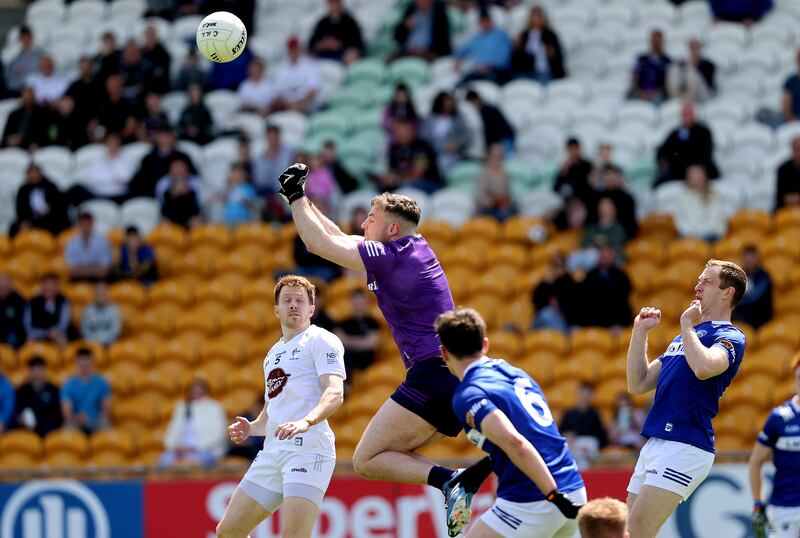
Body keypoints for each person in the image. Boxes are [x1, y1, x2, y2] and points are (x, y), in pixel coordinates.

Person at [279, 165, 495, 536]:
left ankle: (453, 480)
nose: (363, 224)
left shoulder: (391, 256)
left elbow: (318, 244)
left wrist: (296, 199)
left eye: (371, 218)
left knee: (366, 460)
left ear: (391, 228)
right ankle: (464, 468)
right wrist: (302, 198)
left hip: (433, 372)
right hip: (451, 372)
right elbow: (340, 236)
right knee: (397, 455)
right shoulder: (413, 247)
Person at [436, 307, 585, 537]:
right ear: (485, 344)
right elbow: (529, 435)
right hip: (574, 488)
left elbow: (515, 442)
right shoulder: (515, 372)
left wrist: (552, 494)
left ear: (444, 353)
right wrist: (479, 471)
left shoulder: (469, 394)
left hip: (535, 499)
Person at [626, 259, 748, 538]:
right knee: (628, 532)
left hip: (686, 444)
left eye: (706, 281)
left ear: (727, 292)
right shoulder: (684, 338)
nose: (697, 286)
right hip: (657, 442)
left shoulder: (730, 335)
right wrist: (640, 332)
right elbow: (638, 383)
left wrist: (685, 325)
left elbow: (705, 368)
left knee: (638, 530)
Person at [217, 276, 346, 538]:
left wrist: (305, 422)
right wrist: (252, 428)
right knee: (228, 532)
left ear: (312, 308)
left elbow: (335, 392)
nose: (294, 305)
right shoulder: (272, 354)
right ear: (276, 310)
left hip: (309, 451)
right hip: (273, 452)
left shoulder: (322, 340)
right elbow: (272, 412)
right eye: (287, 300)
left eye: (301, 300)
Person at [749, 351, 800, 538]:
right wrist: (758, 503)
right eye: (799, 378)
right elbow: (755, 462)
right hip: (783, 509)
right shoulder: (779, 417)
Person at [160, 378, 228, 468]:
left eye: (199, 390)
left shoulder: (215, 407)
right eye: (193, 390)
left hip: (206, 450)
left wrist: (194, 447)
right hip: (181, 450)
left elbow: (218, 435)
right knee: (164, 460)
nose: (196, 393)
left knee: (191, 463)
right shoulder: (181, 407)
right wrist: (175, 447)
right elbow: (171, 433)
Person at [656, 103, 718, 184]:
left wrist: (693, 166)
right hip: (679, 170)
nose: (687, 117)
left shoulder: (703, 132)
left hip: (700, 169)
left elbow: (706, 153)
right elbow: (666, 151)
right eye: (685, 114)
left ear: (694, 115)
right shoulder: (675, 134)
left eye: (689, 114)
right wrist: (672, 158)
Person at [579, 243, 633, 328]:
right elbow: (585, 298)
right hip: (594, 320)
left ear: (612, 256)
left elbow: (623, 299)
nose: (603, 256)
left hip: (616, 319)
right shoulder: (590, 275)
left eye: (606, 253)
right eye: (601, 253)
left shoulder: (621, 276)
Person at [454, 9, 513, 85]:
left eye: (486, 20)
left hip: (496, 71)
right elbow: (463, 50)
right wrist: (458, 58)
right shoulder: (476, 38)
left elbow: (504, 57)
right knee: (461, 84)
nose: (484, 23)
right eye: (482, 21)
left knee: (488, 79)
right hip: (479, 72)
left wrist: (489, 66)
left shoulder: (501, 35)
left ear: (491, 21)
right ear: (479, 22)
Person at [670, 165, 728, 241]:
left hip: (710, 235)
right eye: (692, 176)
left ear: (704, 177)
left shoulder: (714, 196)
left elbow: (715, 222)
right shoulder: (682, 196)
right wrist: (691, 234)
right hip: (687, 235)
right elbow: (680, 221)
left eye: (698, 176)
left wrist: (699, 236)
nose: (695, 179)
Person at [10, 164, 70, 237]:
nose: (33, 175)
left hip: (49, 218)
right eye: (31, 173)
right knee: (14, 228)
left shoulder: (50, 186)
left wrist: (49, 208)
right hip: (31, 219)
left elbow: (59, 203)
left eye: (35, 173)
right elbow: (20, 208)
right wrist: (24, 221)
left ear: (40, 173)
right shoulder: (23, 190)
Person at [61, 347, 111, 434]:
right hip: (76, 422)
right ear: (76, 361)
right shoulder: (69, 384)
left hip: (96, 422)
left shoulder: (101, 382)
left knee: (105, 428)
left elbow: (105, 410)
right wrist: (77, 419)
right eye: (81, 360)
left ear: (92, 361)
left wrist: (98, 419)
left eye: (87, 360)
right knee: (68, 430)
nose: (84, 363)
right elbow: (67, 413)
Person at [334, 289, 380, 381]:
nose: (358, 303)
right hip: (347, 359)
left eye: (361, 300)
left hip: (367, 361)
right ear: (352, 302)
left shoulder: (373, 322)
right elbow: (337, 341)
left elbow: (371, 344)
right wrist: (362, 341)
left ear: (366, 302)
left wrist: (348, 340)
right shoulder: (343, 322)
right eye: (356, 300)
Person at [511, 5, 566, 83]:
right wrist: (518, 48)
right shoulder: (524, 35)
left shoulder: (550, 35)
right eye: (534, 15)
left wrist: (552, 55)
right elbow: (517, 60)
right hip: (527, 71)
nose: (536, 18)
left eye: (539, 15)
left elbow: (559, 58)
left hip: (545, 71)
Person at [419, 91, 471, 172]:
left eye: (450, 102)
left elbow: (466, 136)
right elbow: (424, 137)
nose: (448, 105)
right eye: (445, 102)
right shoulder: (431, 119)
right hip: (433, 154)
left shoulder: (457, 119)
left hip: (452, 155)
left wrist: (457, 143)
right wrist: (439, 146)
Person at [559, 383, 608, 469]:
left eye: (588, 395)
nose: (585, 398)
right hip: (574, 444)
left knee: (585, 456)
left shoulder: (595, 415)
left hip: (590, 445)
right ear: (578, 395)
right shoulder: (569, 414)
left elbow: (601, 436)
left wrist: (589, 447)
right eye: (583, 394)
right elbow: (562, 432)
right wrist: (569, 437)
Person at [272, 37, 322, 114]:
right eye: (291, 49)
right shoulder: (281, 68)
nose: (293, 51)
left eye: (295, 49)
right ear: (288, 50)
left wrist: (298, 104)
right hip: (286, 106)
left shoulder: (310, 65)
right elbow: (277, 93)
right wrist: (289, 105)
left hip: (305, 105)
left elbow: (313, 90)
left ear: (300, 49)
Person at [15, 356, 62, 437]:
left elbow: (58, 414)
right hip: (26, 429)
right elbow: (16, 411)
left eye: (39, 369)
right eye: (33, 370)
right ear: (29, 371)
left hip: (49, 430)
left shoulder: (53, 390)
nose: (36, 373)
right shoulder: (22, 391)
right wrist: (20, 419)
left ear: (44, 371)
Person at [531, 252, 578, 333]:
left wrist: (563, 279)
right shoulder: (546, 283)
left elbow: (571, 306)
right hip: (545, 320)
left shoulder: (570, 283)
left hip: (564, 322)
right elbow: (536, 302)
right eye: (555, 265)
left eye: (560, 266)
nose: (557, 269)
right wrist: (546, 284)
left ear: (565, 267)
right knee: (546, 313)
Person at [24, 273, 71, 348]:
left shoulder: (63, 302)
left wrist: (55, 332)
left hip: (56, 334)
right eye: (47, 284)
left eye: (53, 284)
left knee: (62, 339)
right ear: (42, 286)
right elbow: (28, 326)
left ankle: (62, 359)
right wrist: (45, 333)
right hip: (37, 334)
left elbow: (63, 325)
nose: (50, 287)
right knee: (29, 340)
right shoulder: (33, 302)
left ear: (57, 287)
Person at [64, 211, 113, 282]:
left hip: (98, 279)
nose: (86, 228)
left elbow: (104, 270)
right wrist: (94, 270)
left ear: (92, 225)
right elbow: (72, 271)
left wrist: (81, 270)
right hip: (78, 279)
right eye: (83, 225)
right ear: (78, 225)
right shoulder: (71, 243)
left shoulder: (103, 242)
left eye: (88, 225)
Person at [732, 245, 773, 329]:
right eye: (745, 256)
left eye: (750, 256)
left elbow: (754, 297)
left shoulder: (763, 276)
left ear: (757, 259)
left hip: (758, 317)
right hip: (740, 314)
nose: (747, 260)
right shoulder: (739, 275)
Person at [465, 90, 515, 156]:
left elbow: (490, 130)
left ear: (475, 100)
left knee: (505, 161)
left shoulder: (485, 111)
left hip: (503, 139)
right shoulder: (488, 108)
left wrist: (489, 146)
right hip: (505, 137)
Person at [475, 143, 515, 221]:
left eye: (501, 156)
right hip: (488, 210)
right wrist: (496, 201)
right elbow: (480, 198)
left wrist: (506, 202)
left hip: (504, 209)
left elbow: (510, 195)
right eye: (495, 156)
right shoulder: (483, 175)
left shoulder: (505, 174)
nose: (498, 159)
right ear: (488, 157)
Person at [667, 38, 715, 103]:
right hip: (686, 89)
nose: (694, 50)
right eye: (692, 47)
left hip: (703, 93)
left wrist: (693, 66)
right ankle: (675, 97)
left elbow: (708, 82)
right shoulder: (684, 62)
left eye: (696, 47)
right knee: (674, 68)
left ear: (700, 48)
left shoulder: (708, 64)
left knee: (692, 73)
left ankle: (687, 99)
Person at [630, 30, 671, 103]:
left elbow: (667, 83)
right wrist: (639, 92)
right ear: (650, 41)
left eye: (658, 42)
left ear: (662, 43)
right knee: (628, 98)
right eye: (654, 41)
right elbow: (634, 76)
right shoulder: (641, 59)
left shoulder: (667, 61)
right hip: (640, 92)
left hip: (657, 94)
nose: (656, 44)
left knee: (658, 100)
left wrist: (653, 93)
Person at [554, 138, 595, 210]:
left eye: (575, 149)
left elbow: (593, 184)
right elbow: (556, 188)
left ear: (579, 149)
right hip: (570, 204)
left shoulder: (588, 165)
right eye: (571, 150)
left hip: (587, 201)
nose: (573, 152)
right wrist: (563, 173)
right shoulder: (565, 167)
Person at [80, 282, 121, 346]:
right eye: (98, 293)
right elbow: (85, 330)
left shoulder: (113, 309)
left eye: (102, 293)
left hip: (109, 344)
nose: (100, 296)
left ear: (106, 294)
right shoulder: (88, 309)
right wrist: (93, 342)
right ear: (94, 294)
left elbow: (115, 330)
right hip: (91, 344)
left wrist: (105, 342)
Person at [5, 25, 43, 95]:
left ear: (31, 38)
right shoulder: (14, 60)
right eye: (23, 38)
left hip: (35, 91)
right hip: (17, 91)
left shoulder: (39, 56)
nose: (26, 40)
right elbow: (10, 81)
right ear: (20, 39)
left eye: (28, 37)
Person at [0, 273, 26, 348]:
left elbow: (20, 323)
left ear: (10, 286)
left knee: (12, 338)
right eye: (0, 286)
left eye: (4, 286)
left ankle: (14, 358)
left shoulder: (18, 300)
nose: (1, 289)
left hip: (11, 332)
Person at [776, 136, 800, 209]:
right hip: (786, 208)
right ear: (792, 149)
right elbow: (780, 198)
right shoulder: (783, 169)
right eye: (796, 148)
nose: (798, 152)